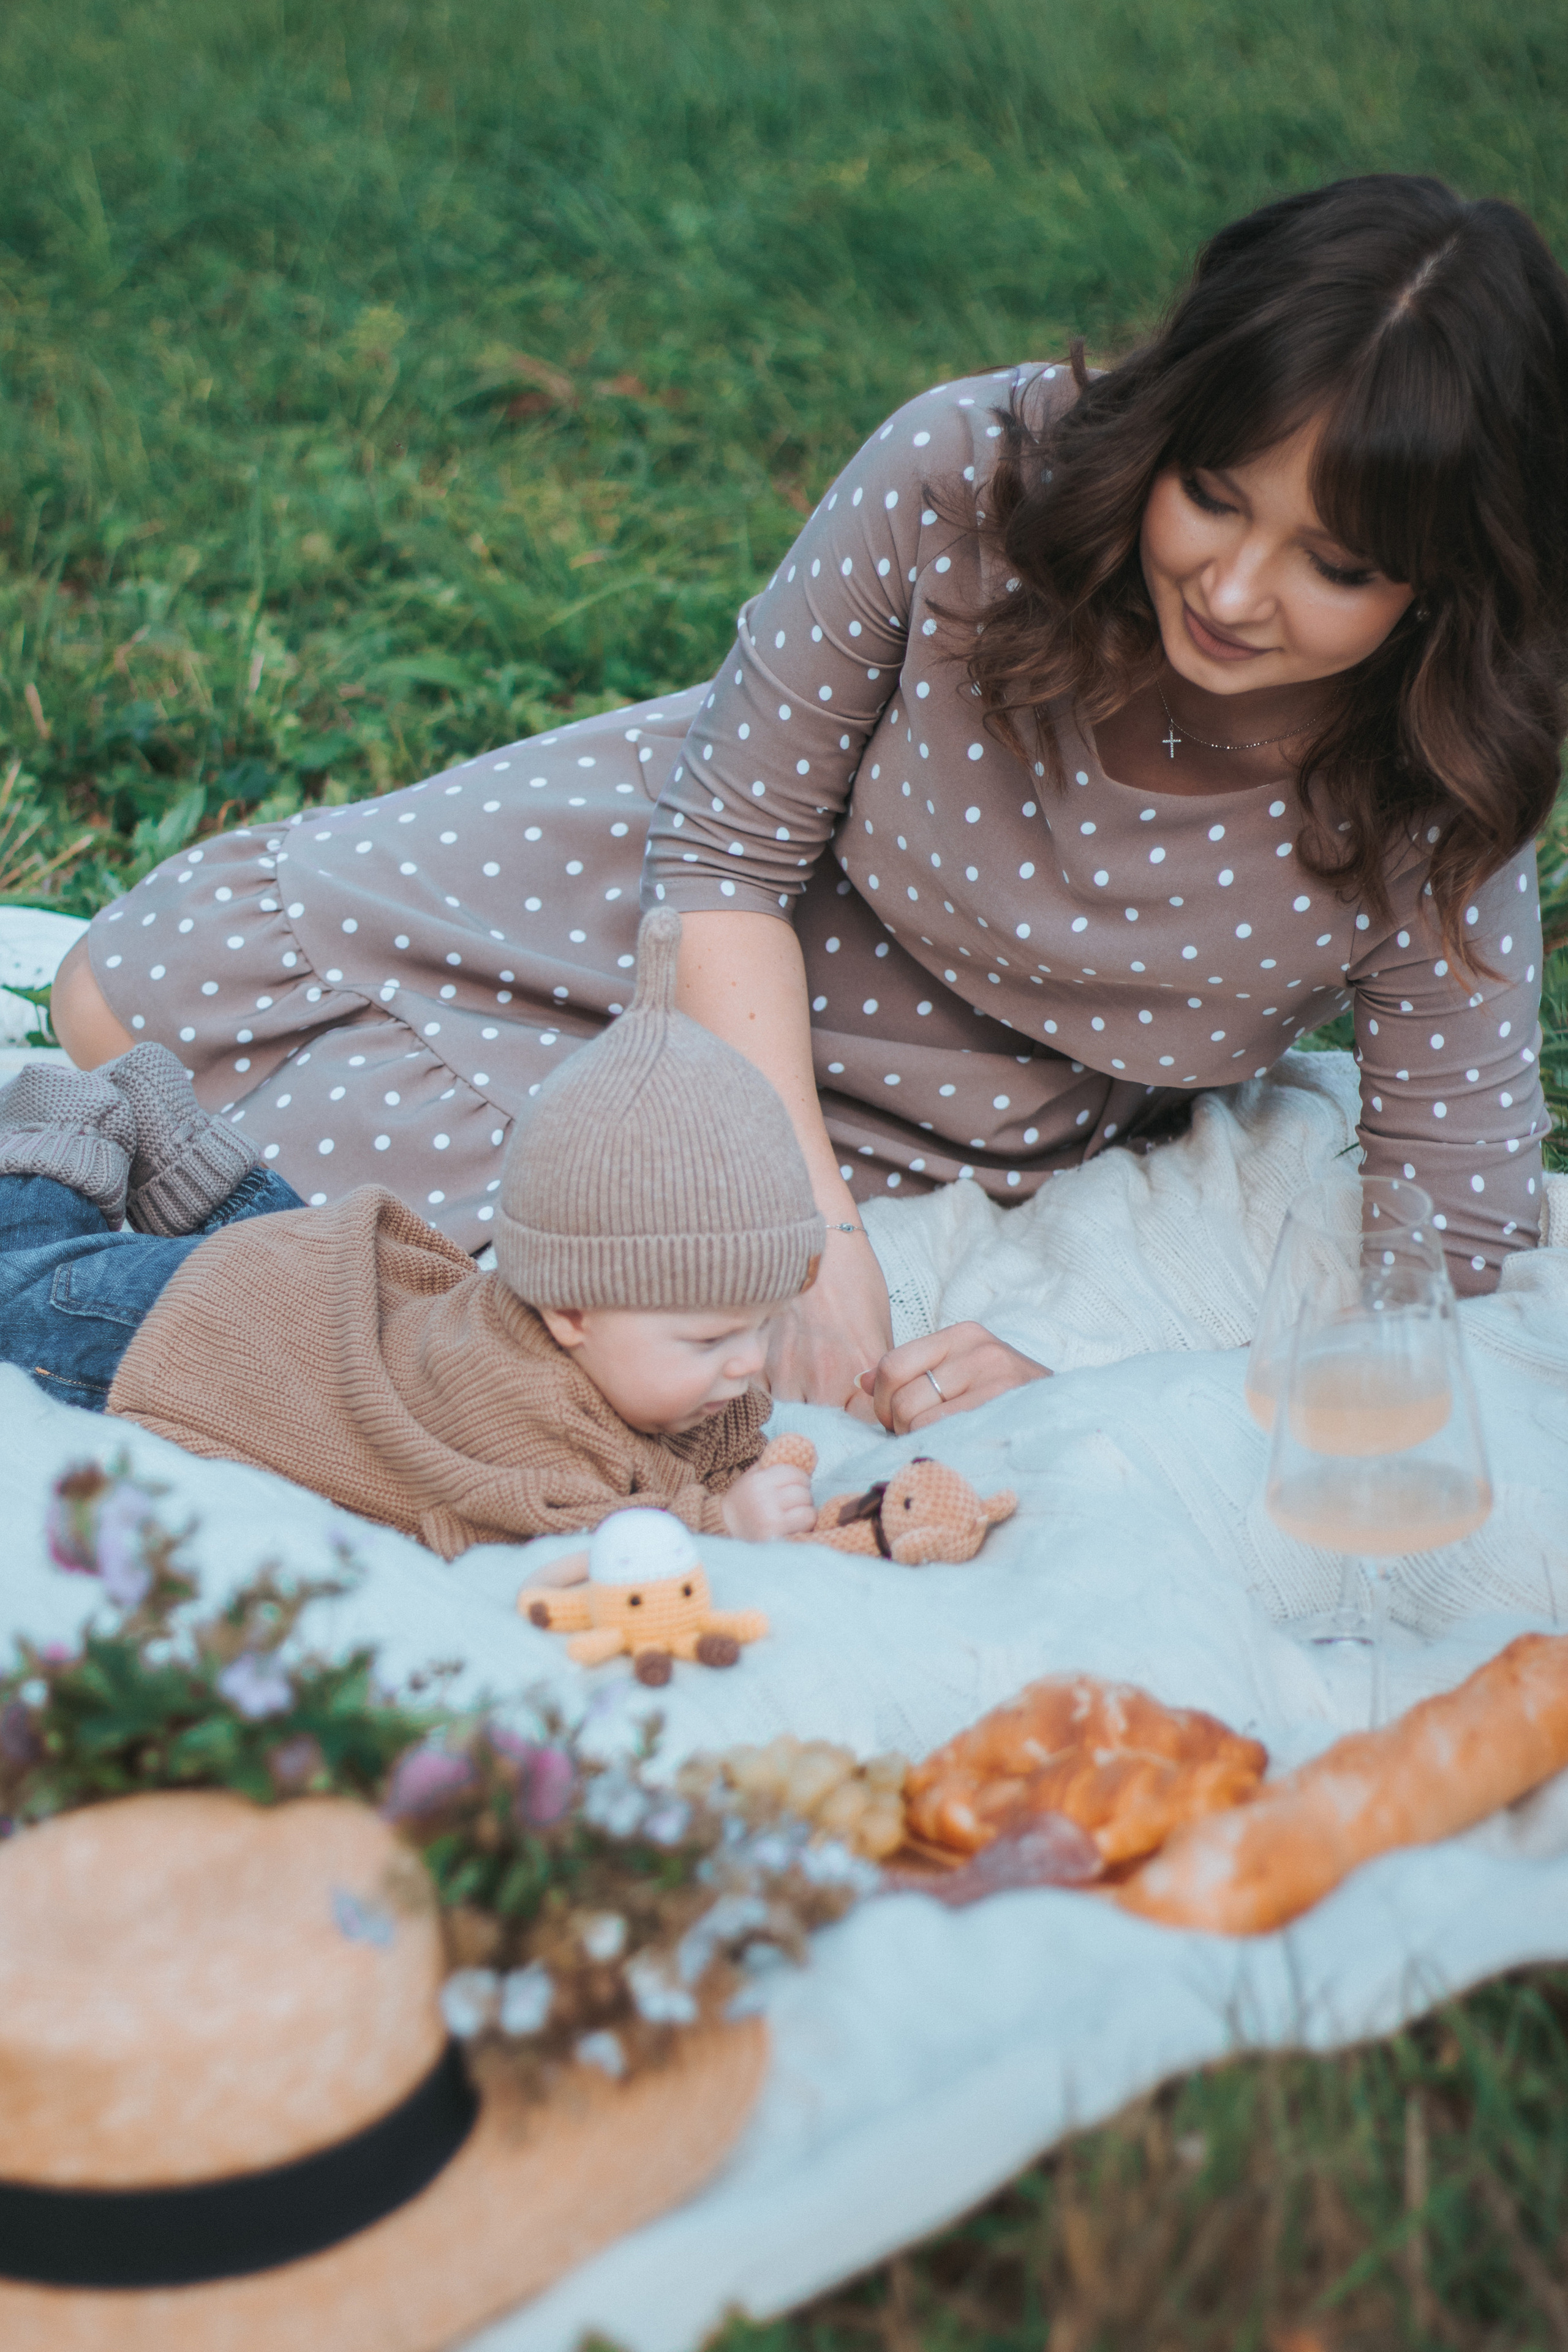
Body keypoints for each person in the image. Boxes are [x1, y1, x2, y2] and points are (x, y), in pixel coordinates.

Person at [53, 175, 1568, 1430]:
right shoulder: (970, 476)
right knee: (114, 1001)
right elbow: (719, 854)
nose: (1235, 591)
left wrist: (1136, 1391)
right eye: (1215, 497)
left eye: (1337, 565)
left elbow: (1457, 1247)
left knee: (507, 1333)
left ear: (1451, 583)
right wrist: (811, 1239)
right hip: (690, 911)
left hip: (932, 1095)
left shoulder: (1437, 784)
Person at [0, 913, 821, 1555]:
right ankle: (51, 1148)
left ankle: (188, 1157)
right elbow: (550, 1536)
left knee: (272, 1257)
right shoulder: (527, 1418)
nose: (749, 1363)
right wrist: (723, 1526)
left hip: (318, 1294)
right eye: (711, 1339)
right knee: (25, 1296)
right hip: (194, 1338)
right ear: (573, 1314)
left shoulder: (646, 1358)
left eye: (759, 1325)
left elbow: (708, 1437)